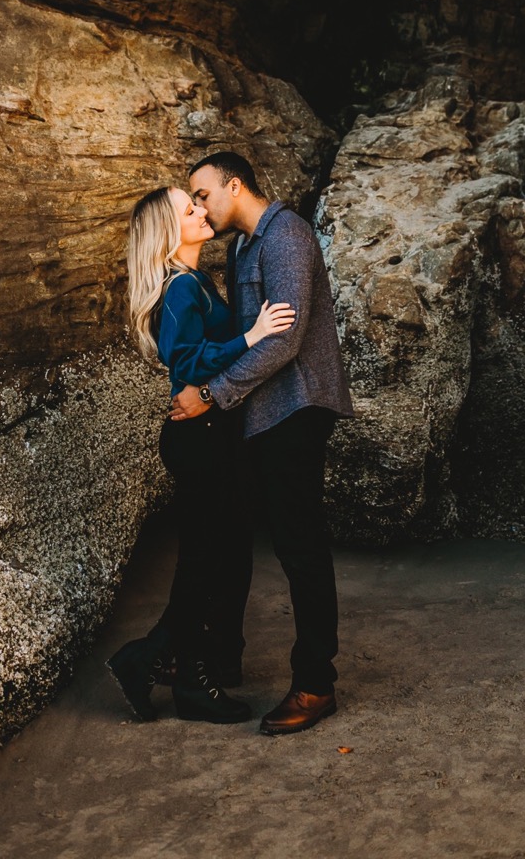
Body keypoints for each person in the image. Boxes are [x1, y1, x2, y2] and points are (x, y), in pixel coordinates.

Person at [171, 152, 354, 735]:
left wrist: (212, 392)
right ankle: (217, 657)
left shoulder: (286, 236)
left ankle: (315, 684)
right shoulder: (242, 247)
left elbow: (286, 340)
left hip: (297, 406)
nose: (198, 207)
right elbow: (244, 335)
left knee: (301, 547)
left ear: (235, 184)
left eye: (202, 195)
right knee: (232, 537)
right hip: (260, 415)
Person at [107, 184, 296, 724]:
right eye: (187, 208)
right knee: (204, 565)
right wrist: (253, 335)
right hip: (200, 438)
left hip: (211, 434)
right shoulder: (181, 287)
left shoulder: (195, 280)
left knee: (216, 561)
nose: (199, 210)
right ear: (169, 230)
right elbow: (185, 362)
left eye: (196, 201)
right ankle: (147, 662)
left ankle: (191, 678)